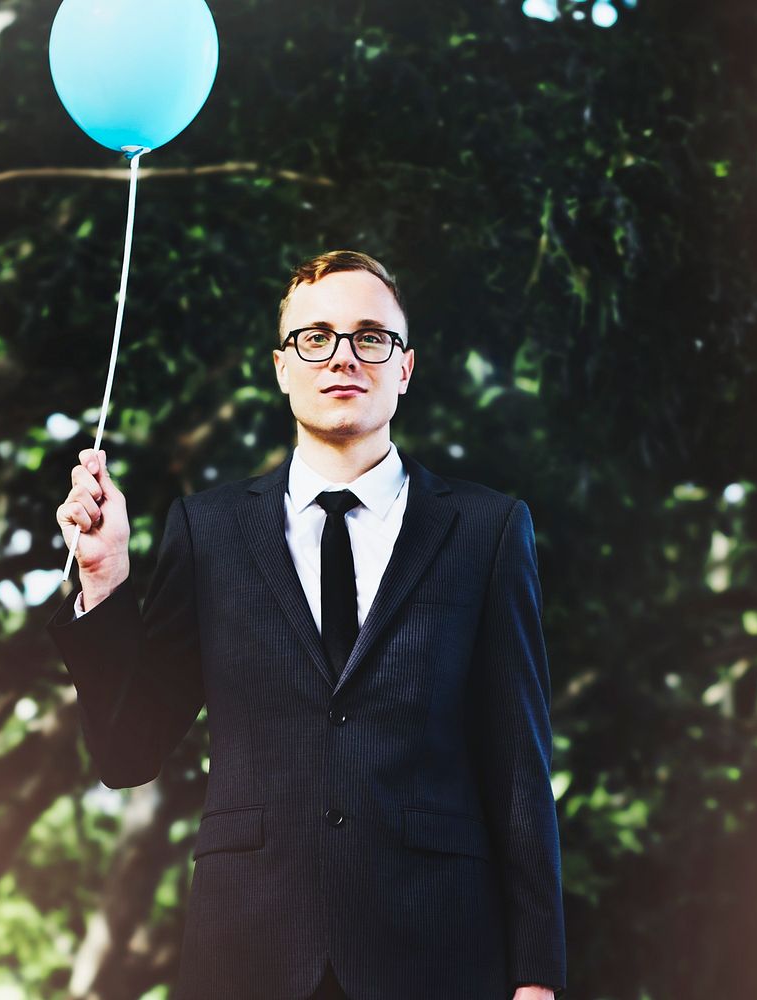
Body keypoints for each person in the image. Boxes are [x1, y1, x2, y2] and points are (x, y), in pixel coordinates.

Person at [47, 250, 567, 1000]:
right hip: (251, 950)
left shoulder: (487, 529)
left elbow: (519, 765)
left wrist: (537, 977)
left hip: (438, 951)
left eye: (371, 337)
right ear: (283, 367)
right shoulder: (209, 529)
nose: (344, 357)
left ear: (406, 367)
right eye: (315, 338)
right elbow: (128, 751)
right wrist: (105, 579)